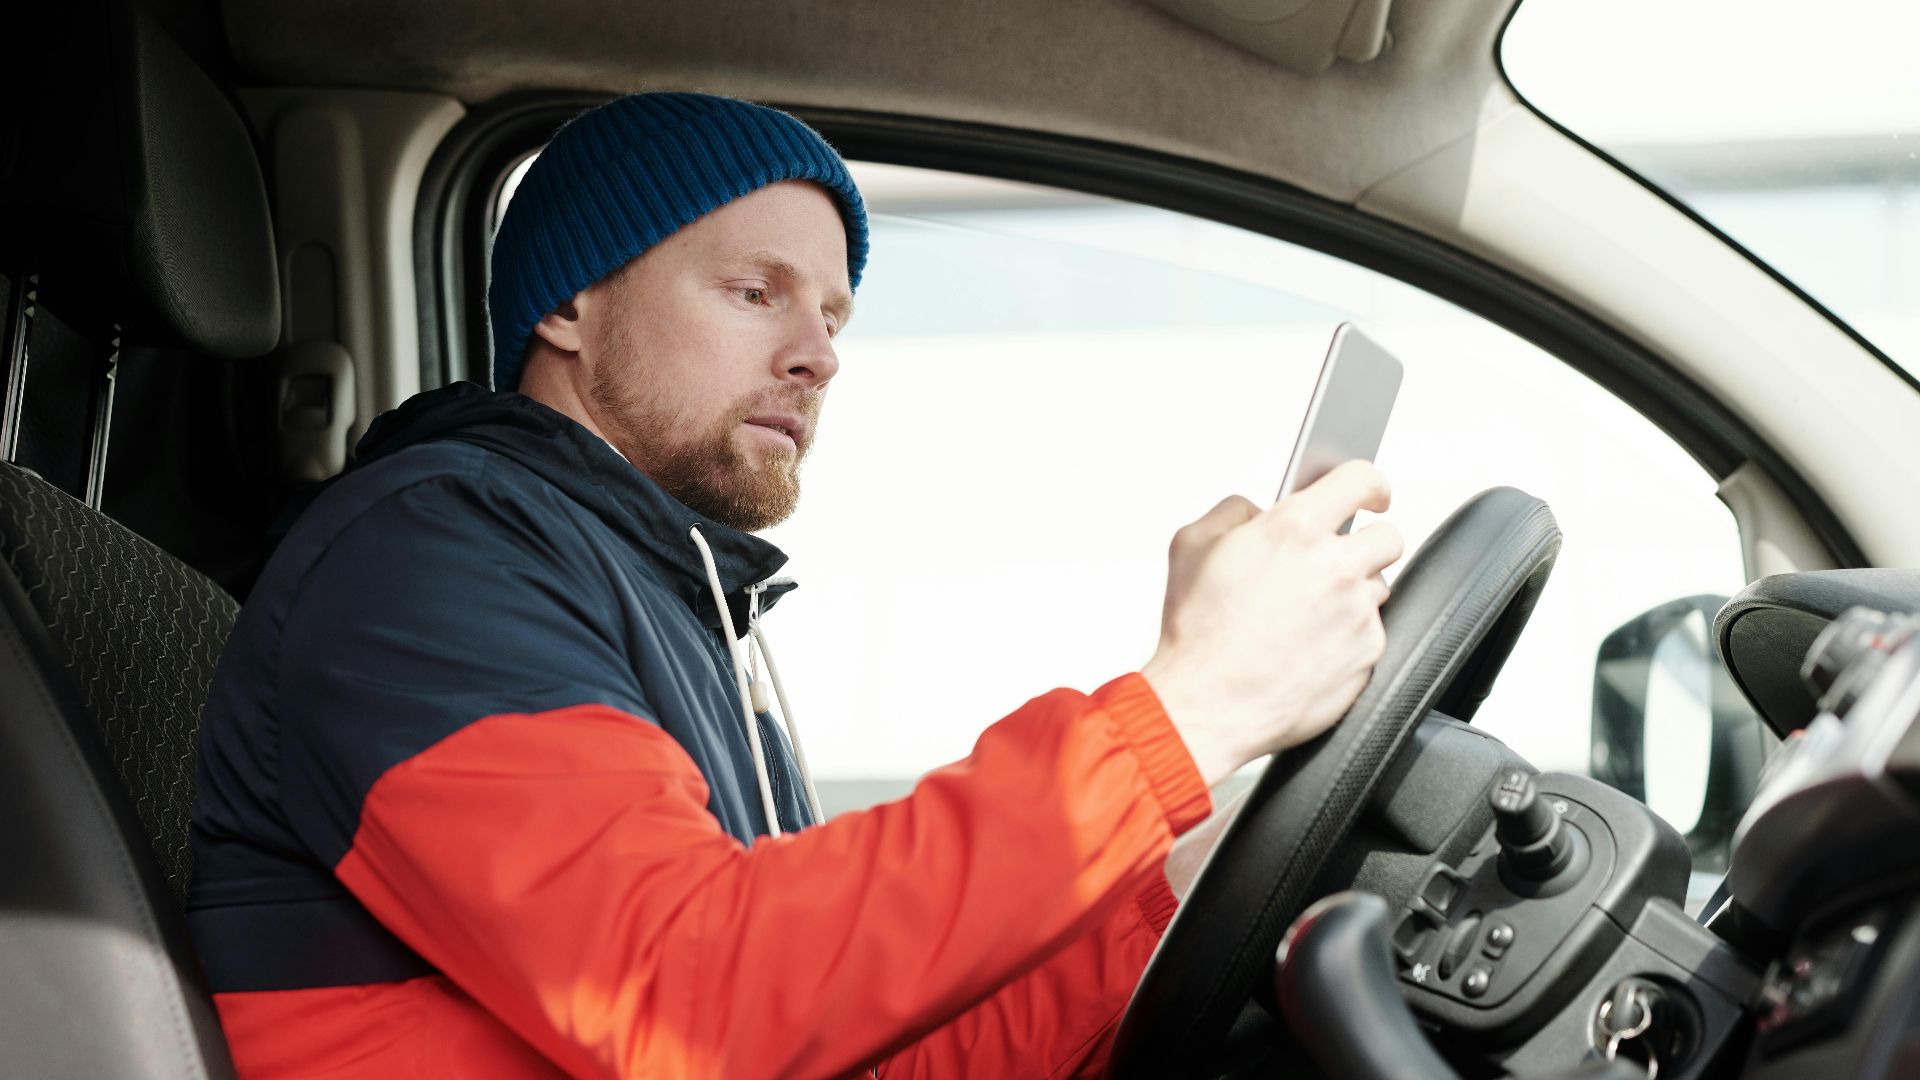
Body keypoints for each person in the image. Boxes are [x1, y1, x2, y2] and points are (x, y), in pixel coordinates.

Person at [186, 92, 1403, 1079]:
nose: (817, 353)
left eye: (833, 314)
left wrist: (1174, 893)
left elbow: (849, 1048)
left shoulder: (673, 603)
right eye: (754, 292)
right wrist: (1187, 713)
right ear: (570, 302)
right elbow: (685, 1000)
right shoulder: (425, 562)